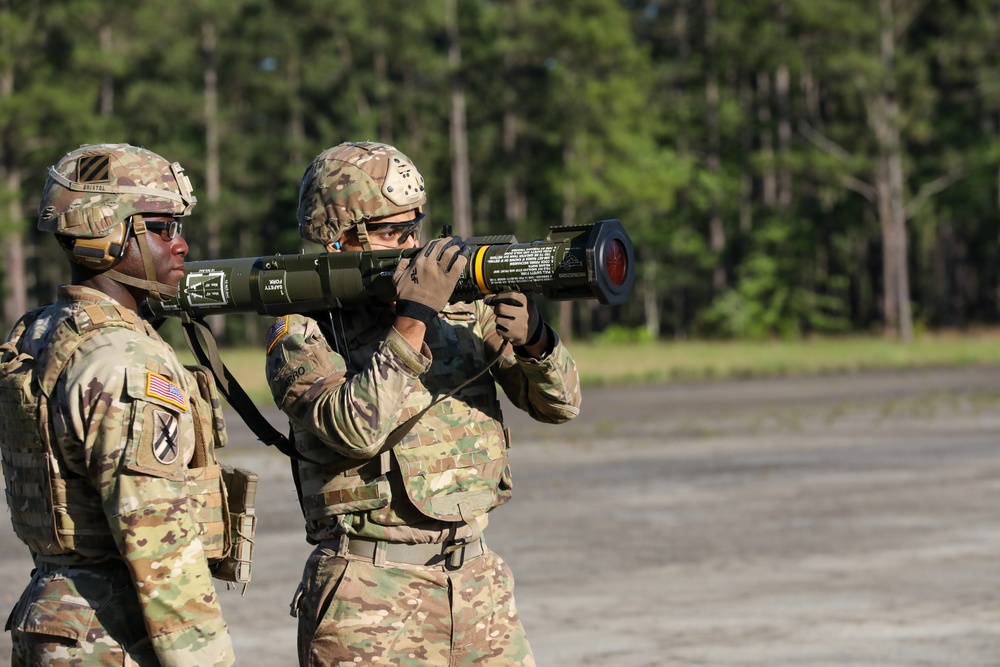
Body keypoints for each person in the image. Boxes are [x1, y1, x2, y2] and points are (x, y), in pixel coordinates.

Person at [264, 140, 582, 666]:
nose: (412, 246)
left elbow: (561, 405)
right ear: (338, 239)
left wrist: (536, 342)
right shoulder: (303, 330)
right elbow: (353, 430)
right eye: (392, 232)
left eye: (414, 227)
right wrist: (413, 318)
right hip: (369, 596)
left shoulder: (460, 311)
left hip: (477, 583)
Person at [0, 143, 236, 666]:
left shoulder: (41, 331)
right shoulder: (125, 360)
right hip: (116, 632)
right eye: (160, 227)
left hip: (60, 618)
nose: (181, 244)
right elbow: (159, 544)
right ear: (106, 231)